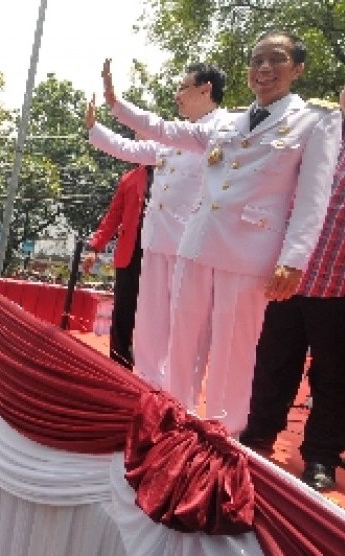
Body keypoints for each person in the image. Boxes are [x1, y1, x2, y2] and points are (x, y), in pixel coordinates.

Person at [101, 30, 343, 434]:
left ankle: (221, 434)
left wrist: (293, 260)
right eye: (257, 60)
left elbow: (312, 200)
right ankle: (172, 423)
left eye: (276, 59)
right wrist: (116, 104)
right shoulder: (229, 122)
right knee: (182, 340)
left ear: (297, 69)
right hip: (196, 245)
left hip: (250, 255)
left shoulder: (316, 121)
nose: (264, 69)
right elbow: (167, 131)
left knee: (234, 351)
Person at [84, 62, 226, 389]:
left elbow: (158, 127)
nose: (177, 96)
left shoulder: (221, 128)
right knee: (149, 324)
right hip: (157, 242)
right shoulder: (176, 136)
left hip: (190, 247)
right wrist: (96, 129)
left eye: (182, 87)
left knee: (183, 327)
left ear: (205, 89)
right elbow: (131, 149)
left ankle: (178, 397)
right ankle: (146, 387)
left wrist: (115, 102)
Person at [240, 83, 345, 491]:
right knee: (273, 363)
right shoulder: (312, 132)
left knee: (333, 377)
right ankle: (258, 436)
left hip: (338, 284)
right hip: (287, 275)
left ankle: (320, 457)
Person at [81, 163, 153, 369]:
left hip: (160, 256)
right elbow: (113, 215)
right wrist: (95, 248)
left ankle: (150, 370)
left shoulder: (176, 173)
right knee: (123, 312)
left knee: (153, 314)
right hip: (130, 254)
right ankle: (118, 367)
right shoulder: (129, 178)